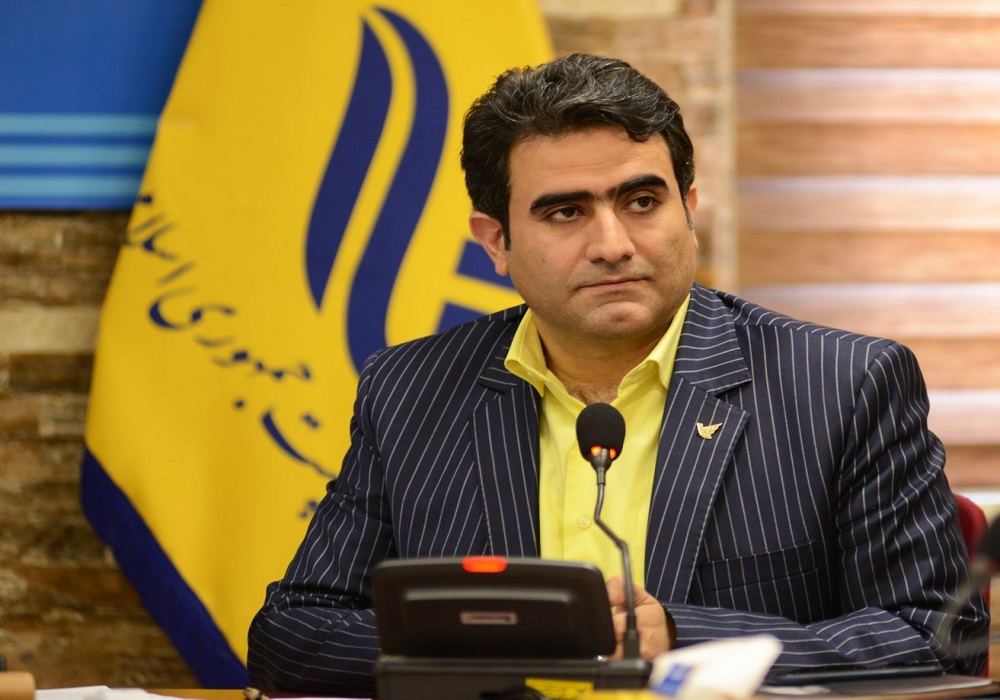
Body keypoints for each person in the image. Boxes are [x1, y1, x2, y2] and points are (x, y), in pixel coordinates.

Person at [246, 53, 988, 695]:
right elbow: (291, 632)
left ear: (688, 208)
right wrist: (505, 643)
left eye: (641, 201)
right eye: (565, 213)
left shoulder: (843, 385)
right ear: (495, 241)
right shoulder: (410, 392)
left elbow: (937, 638)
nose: (612, 244)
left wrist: (682, 637)